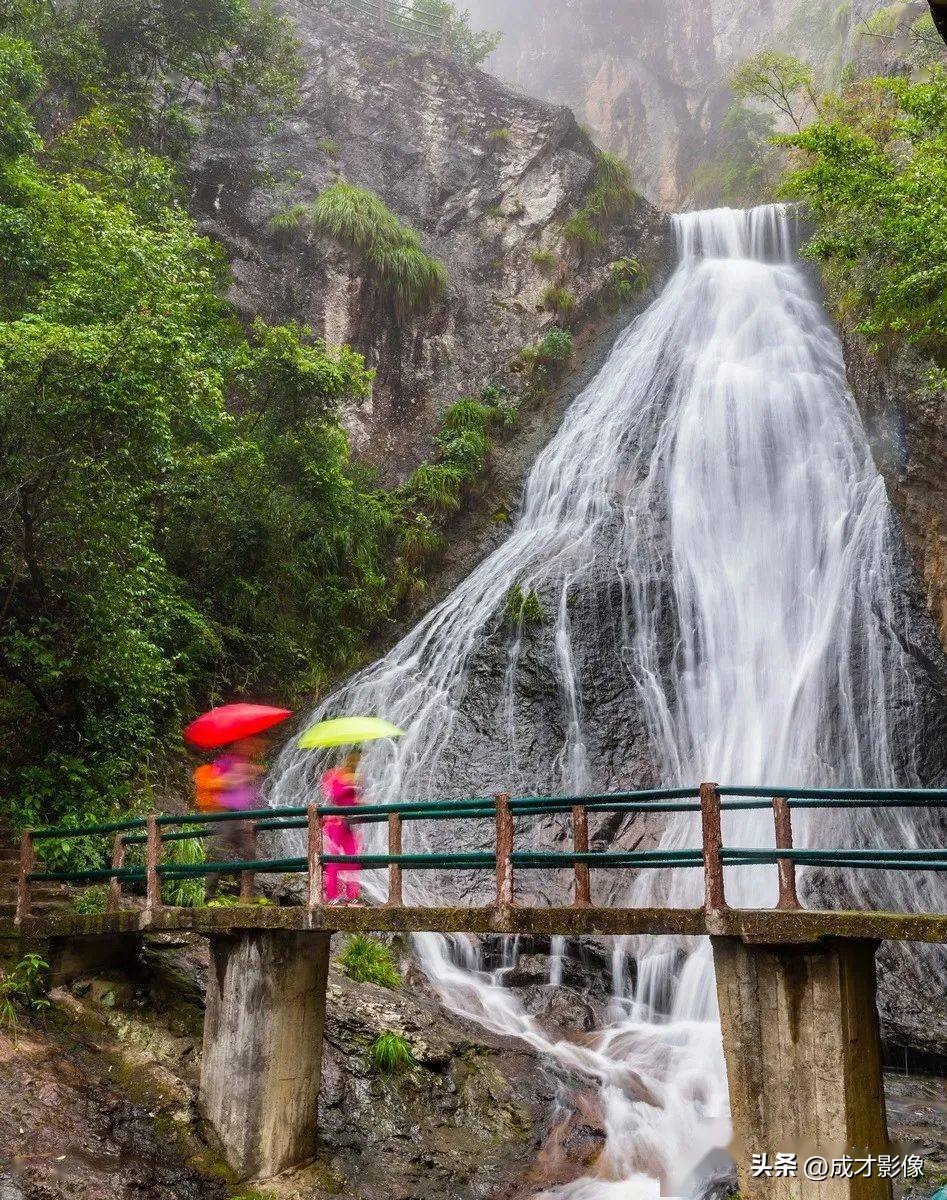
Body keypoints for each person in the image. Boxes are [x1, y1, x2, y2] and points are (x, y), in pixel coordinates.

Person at [198, 736, 267, 900]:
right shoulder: (225, 762)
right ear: (237, 744)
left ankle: (249, 892)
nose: (249, 747)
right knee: (218, 851)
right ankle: (209, 894)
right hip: (224, 812)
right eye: (246, 744)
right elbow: (217, 783)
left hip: (237, 815)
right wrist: (237, 776)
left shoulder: (242, 763)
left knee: (249, 852)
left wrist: (249, 772)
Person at [321, 750, 363, 904]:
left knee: (353, 858)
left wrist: (362, 801)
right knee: (334, 858)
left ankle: (351, 896)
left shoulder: (354, 777)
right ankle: (331, 896)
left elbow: (354, 801)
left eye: (358, 760)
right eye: (354, 760)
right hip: (336, 823)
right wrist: (346, 782)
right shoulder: (336, 775)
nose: (356, 763)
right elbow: (335, 795)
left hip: (348, 824)